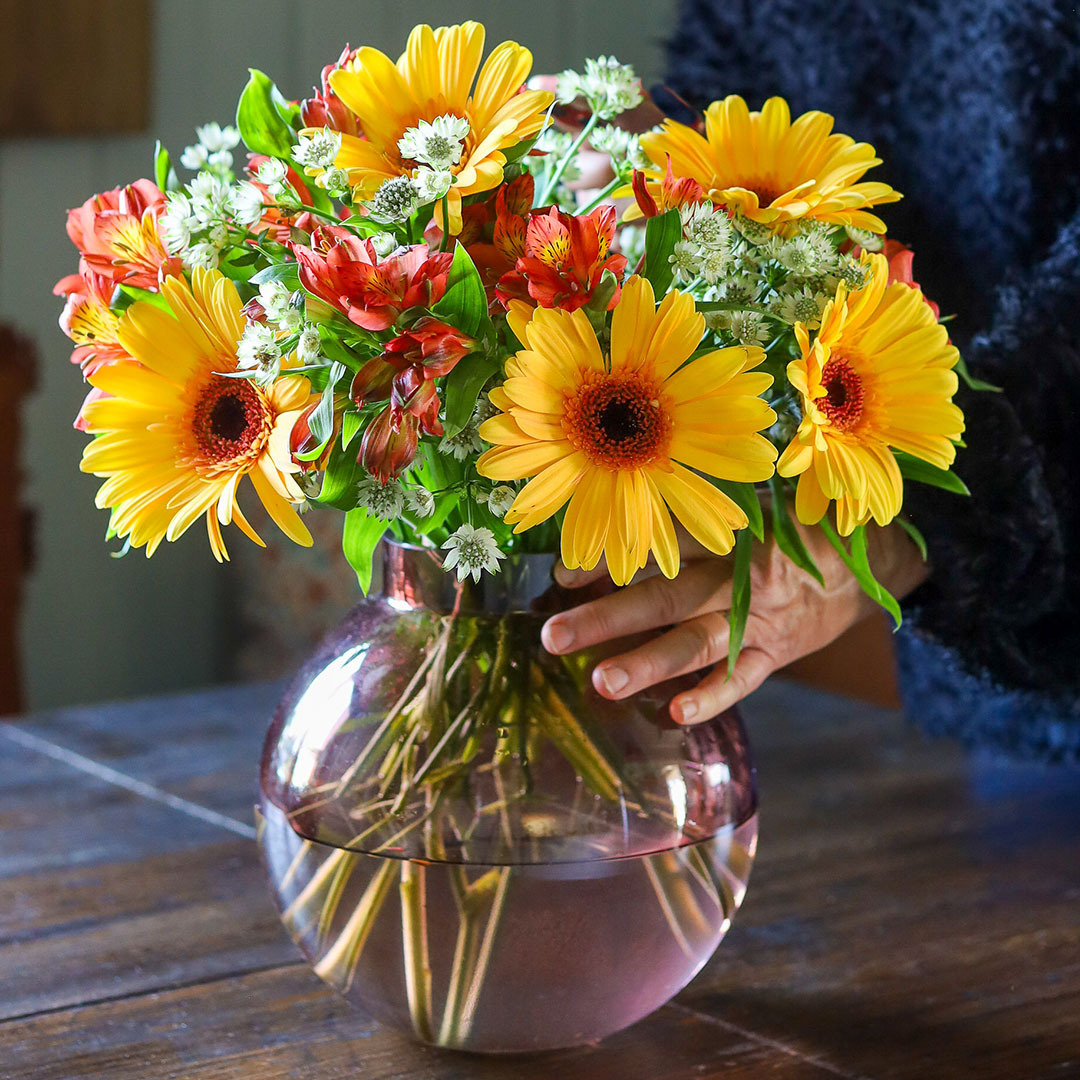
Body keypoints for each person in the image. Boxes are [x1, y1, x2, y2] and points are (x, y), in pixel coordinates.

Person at [542, 0, 1080, 761]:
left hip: (964, 528)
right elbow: (746, 100)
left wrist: (915, 529)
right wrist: (656, 174)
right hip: (986, 678)